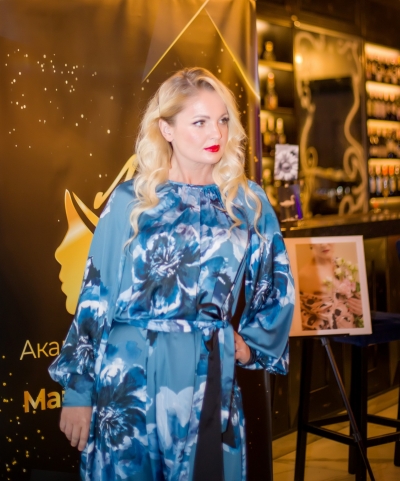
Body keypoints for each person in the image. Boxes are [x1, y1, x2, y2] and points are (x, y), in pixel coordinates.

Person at [49, 67, 295, 481]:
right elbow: (95, 297)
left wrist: (252, 345)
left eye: (222, 119)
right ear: (166, 129)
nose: (215, 132)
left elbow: (277, 284)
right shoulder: (130, 201)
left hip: (206, 373)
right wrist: (78, 389)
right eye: (199, 122)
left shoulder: (247, 202)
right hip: (126, 373)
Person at [298, 243, 363, 330]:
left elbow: (354, 296)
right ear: (310, 244)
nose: (324, 244)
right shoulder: (306, 276)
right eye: (318, 240)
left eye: (325, 238)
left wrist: (361, 309)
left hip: (354, 326)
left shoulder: (341, 264)